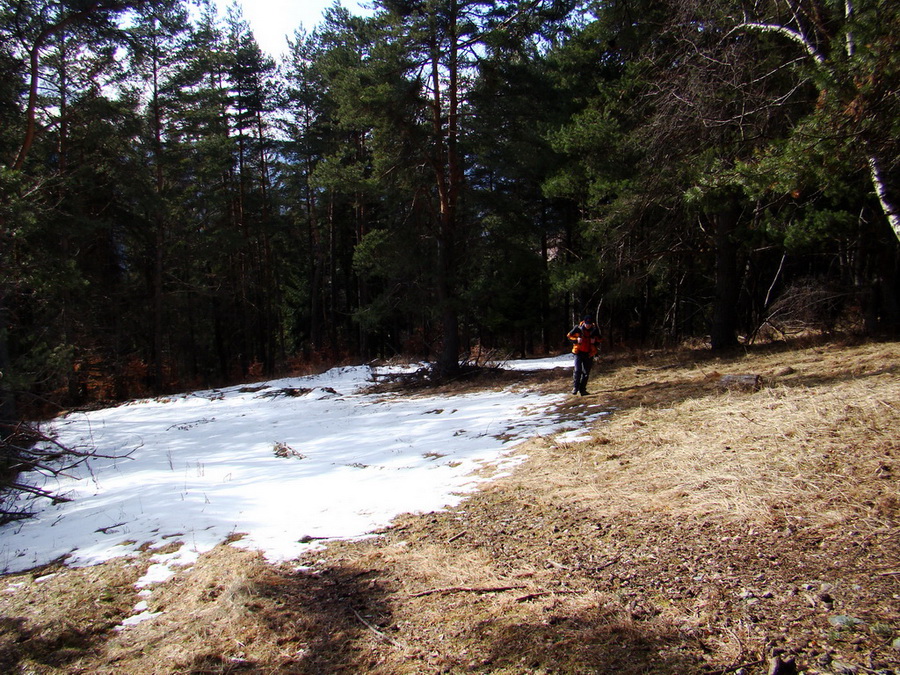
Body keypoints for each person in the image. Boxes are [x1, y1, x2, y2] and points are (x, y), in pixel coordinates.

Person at [567, 314, 602, 395]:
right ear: (584, 323)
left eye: (589, 324)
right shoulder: (577, 328)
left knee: (586, 373)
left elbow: (600, 339)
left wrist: (595, 341)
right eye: (587, 324)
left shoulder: (594, 330)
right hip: (578, 353)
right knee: (577, 370)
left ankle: (582, 390)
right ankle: (575, 388)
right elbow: (569, 336)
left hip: (589, 353)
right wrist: (576, 340)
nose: (588, 326)